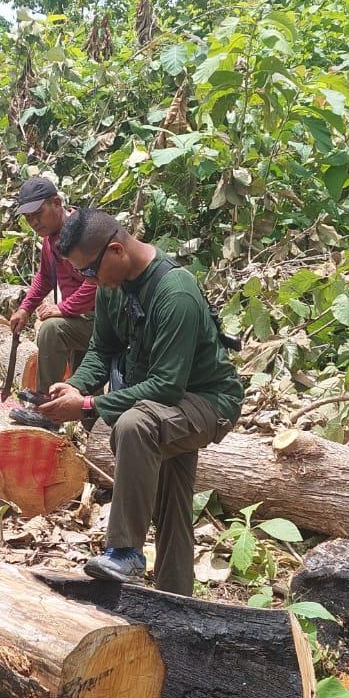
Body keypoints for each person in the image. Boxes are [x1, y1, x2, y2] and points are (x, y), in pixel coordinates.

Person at [37, 207, 244, 596]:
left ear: (116, 250)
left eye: (90, 271)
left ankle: (125, 551)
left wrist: (88, 407)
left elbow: (166, 386)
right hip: (167, 400)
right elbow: (102, 347)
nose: (89, 281)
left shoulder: (174, 292)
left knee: (136, 425)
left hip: (207, 400)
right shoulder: (113, 288)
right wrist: (78, 387)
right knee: (172, 500)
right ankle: (175, 599)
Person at [7, 176, 95, 395]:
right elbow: (45, 276)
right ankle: (87, 422)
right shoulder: (49, 239)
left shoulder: (84, 232)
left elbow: (97, 283)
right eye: (29, 218)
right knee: (85, 393)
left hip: (104, 320)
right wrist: (25, 309)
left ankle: (45, 403)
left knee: (52, 330)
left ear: (57, 203)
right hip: (80, 318)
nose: (34, 223)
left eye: (38, 214)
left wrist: (63, 308)